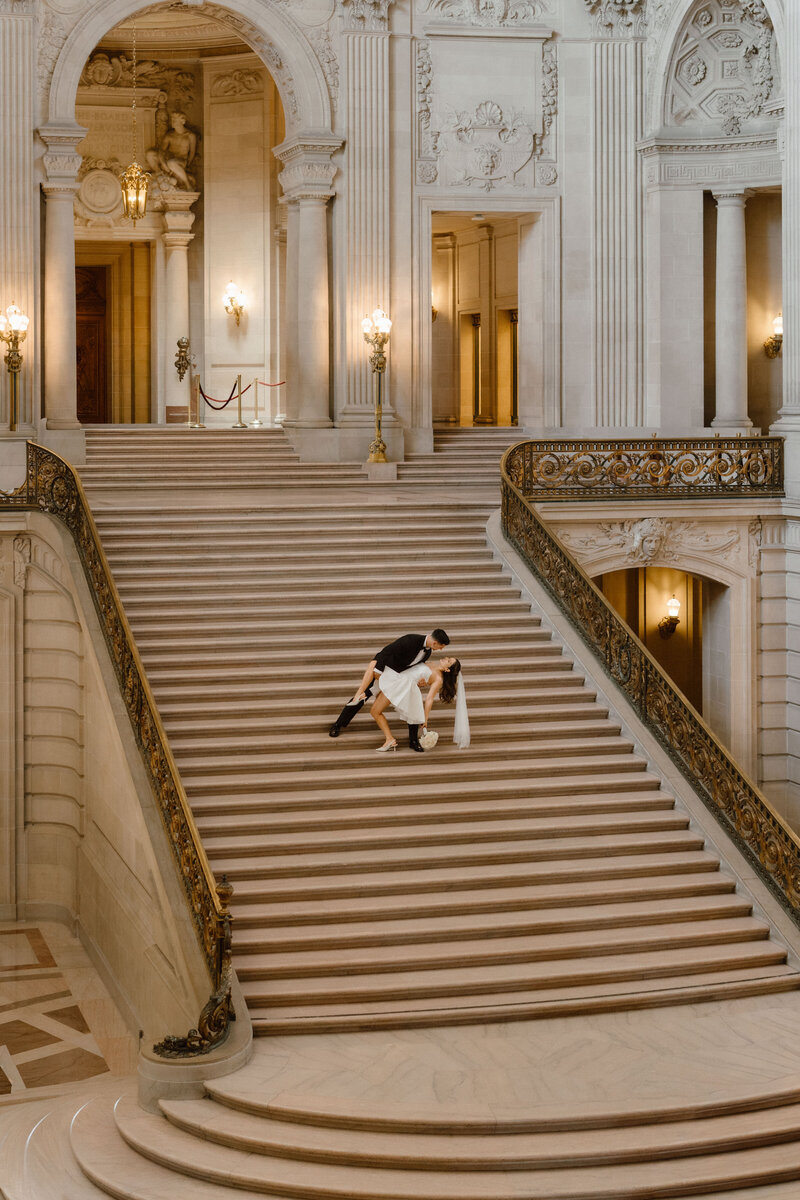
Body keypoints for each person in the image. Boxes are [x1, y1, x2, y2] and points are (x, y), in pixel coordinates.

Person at [328, 629, 450, 748]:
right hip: (384, 670)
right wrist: (378, 670)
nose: (441, 649)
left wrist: (419, 680)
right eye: (441, 646)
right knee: (362, 696)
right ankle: (338, 725)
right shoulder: (411, 639)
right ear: (435, 643)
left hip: (397, 677)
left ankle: (413, 741)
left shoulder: (428, 652)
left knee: (412, 704)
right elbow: (387, 651)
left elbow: (414, 667)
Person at [370, 657, 470, 752]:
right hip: (398, 678)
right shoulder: (431, 663)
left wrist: (425, 718)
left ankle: (391, 740)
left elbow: (429, 698)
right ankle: (394, 740)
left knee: (375, 711)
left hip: (400, 685)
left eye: (448, 661)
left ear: (447, 670)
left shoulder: (438, 679)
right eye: (448, 658)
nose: (446, 658)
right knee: (376, 710)